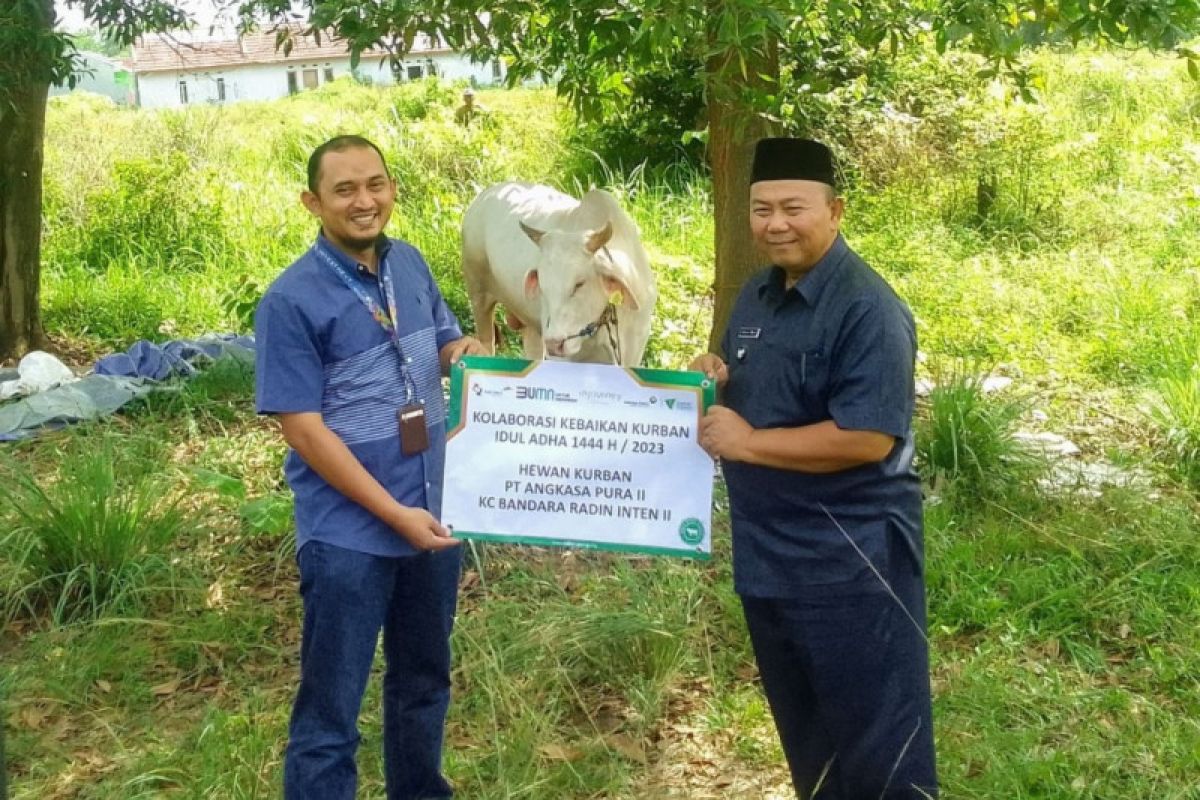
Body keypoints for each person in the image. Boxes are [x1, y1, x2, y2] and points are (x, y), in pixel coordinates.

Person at [689, 138, 937, 799]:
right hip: (770, 560)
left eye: (793, 208)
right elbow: (745, 395)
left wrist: (747, 445)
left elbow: (867, 438)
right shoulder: (757, 297)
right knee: (811, 745)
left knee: (882, 750)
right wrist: (710, 380)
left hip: (852, 567)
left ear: (836, 211)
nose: (775, 224)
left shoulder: (868, 309)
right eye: (761, 209)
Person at [254, 134, 485, 800]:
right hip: (350, 536)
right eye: (345, 190)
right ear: (313, 202)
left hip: (433, 514)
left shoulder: (408, 263)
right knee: (331, 711)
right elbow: (302, 427)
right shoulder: (290, 300)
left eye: (375, 184)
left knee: (423, 682)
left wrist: (465, 351)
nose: (365, 201)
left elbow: (442, 339)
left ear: (392, 188)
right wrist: (394, 515)